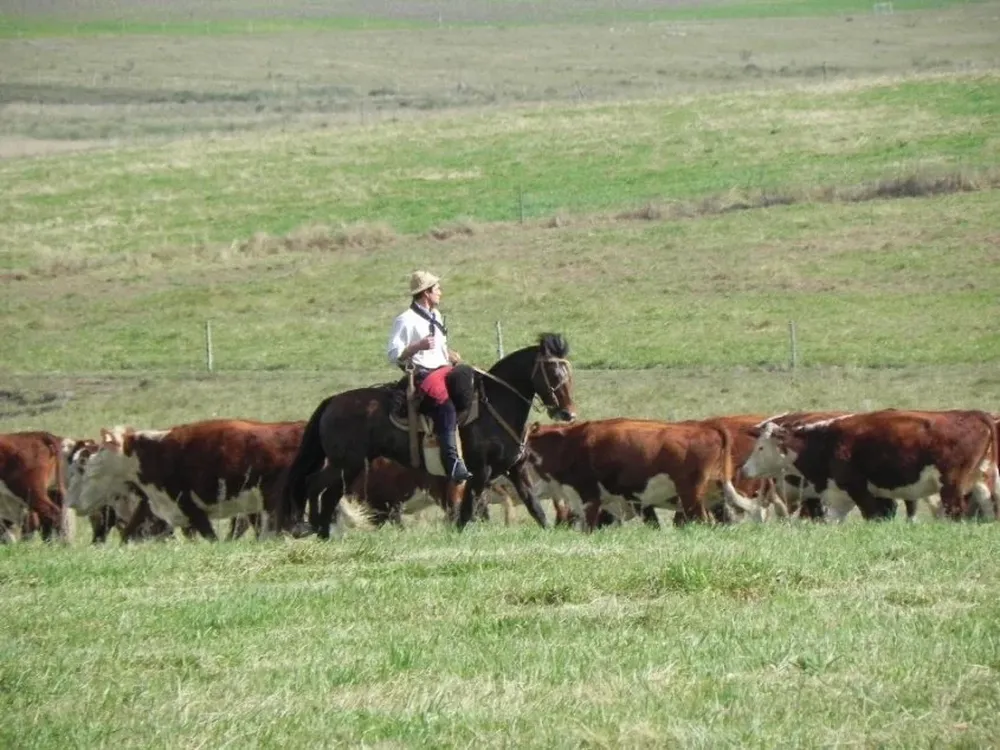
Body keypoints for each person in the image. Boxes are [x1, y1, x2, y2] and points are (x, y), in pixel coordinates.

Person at [387, 270, 472, 482]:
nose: (440, 293)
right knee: (446, 406)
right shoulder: (405, 320)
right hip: (423, 375)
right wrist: (417, 346)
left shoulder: (436, 316)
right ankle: (452, 463)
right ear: (426, 293)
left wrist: (450, 354)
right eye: (437, 289)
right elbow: (394, 355)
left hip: (444, 369)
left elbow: (438, 349)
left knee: (471, 383)